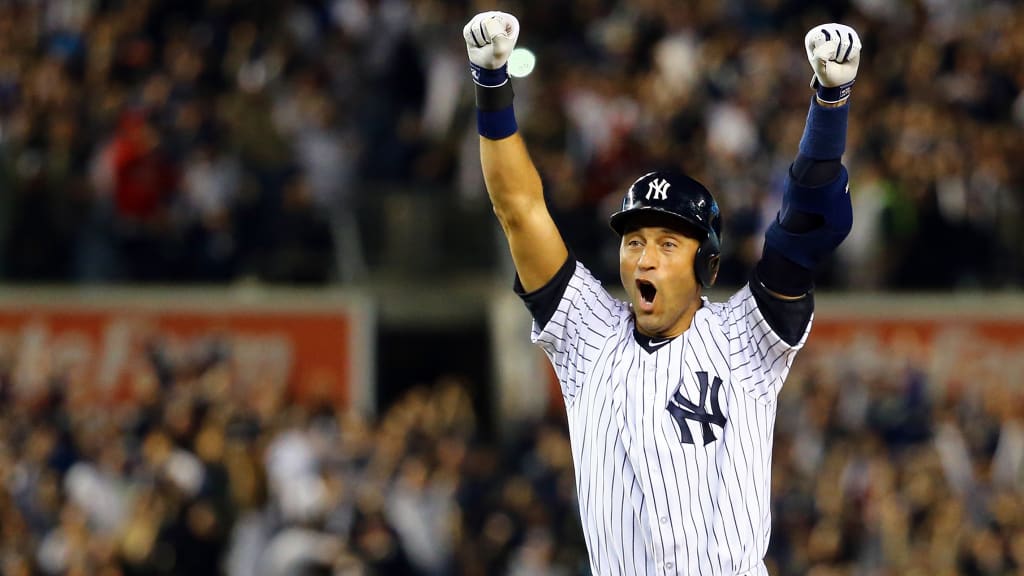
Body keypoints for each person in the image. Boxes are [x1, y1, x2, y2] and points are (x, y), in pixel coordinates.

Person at [463, 11, 861, 575]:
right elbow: (520, 211)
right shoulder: (586, 334)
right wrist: (491, 86)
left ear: (706, 263)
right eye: (634, 241)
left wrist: (830, 103)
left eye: (668, 243)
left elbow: (804, 225)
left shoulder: (745, 338)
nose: (645, 257)